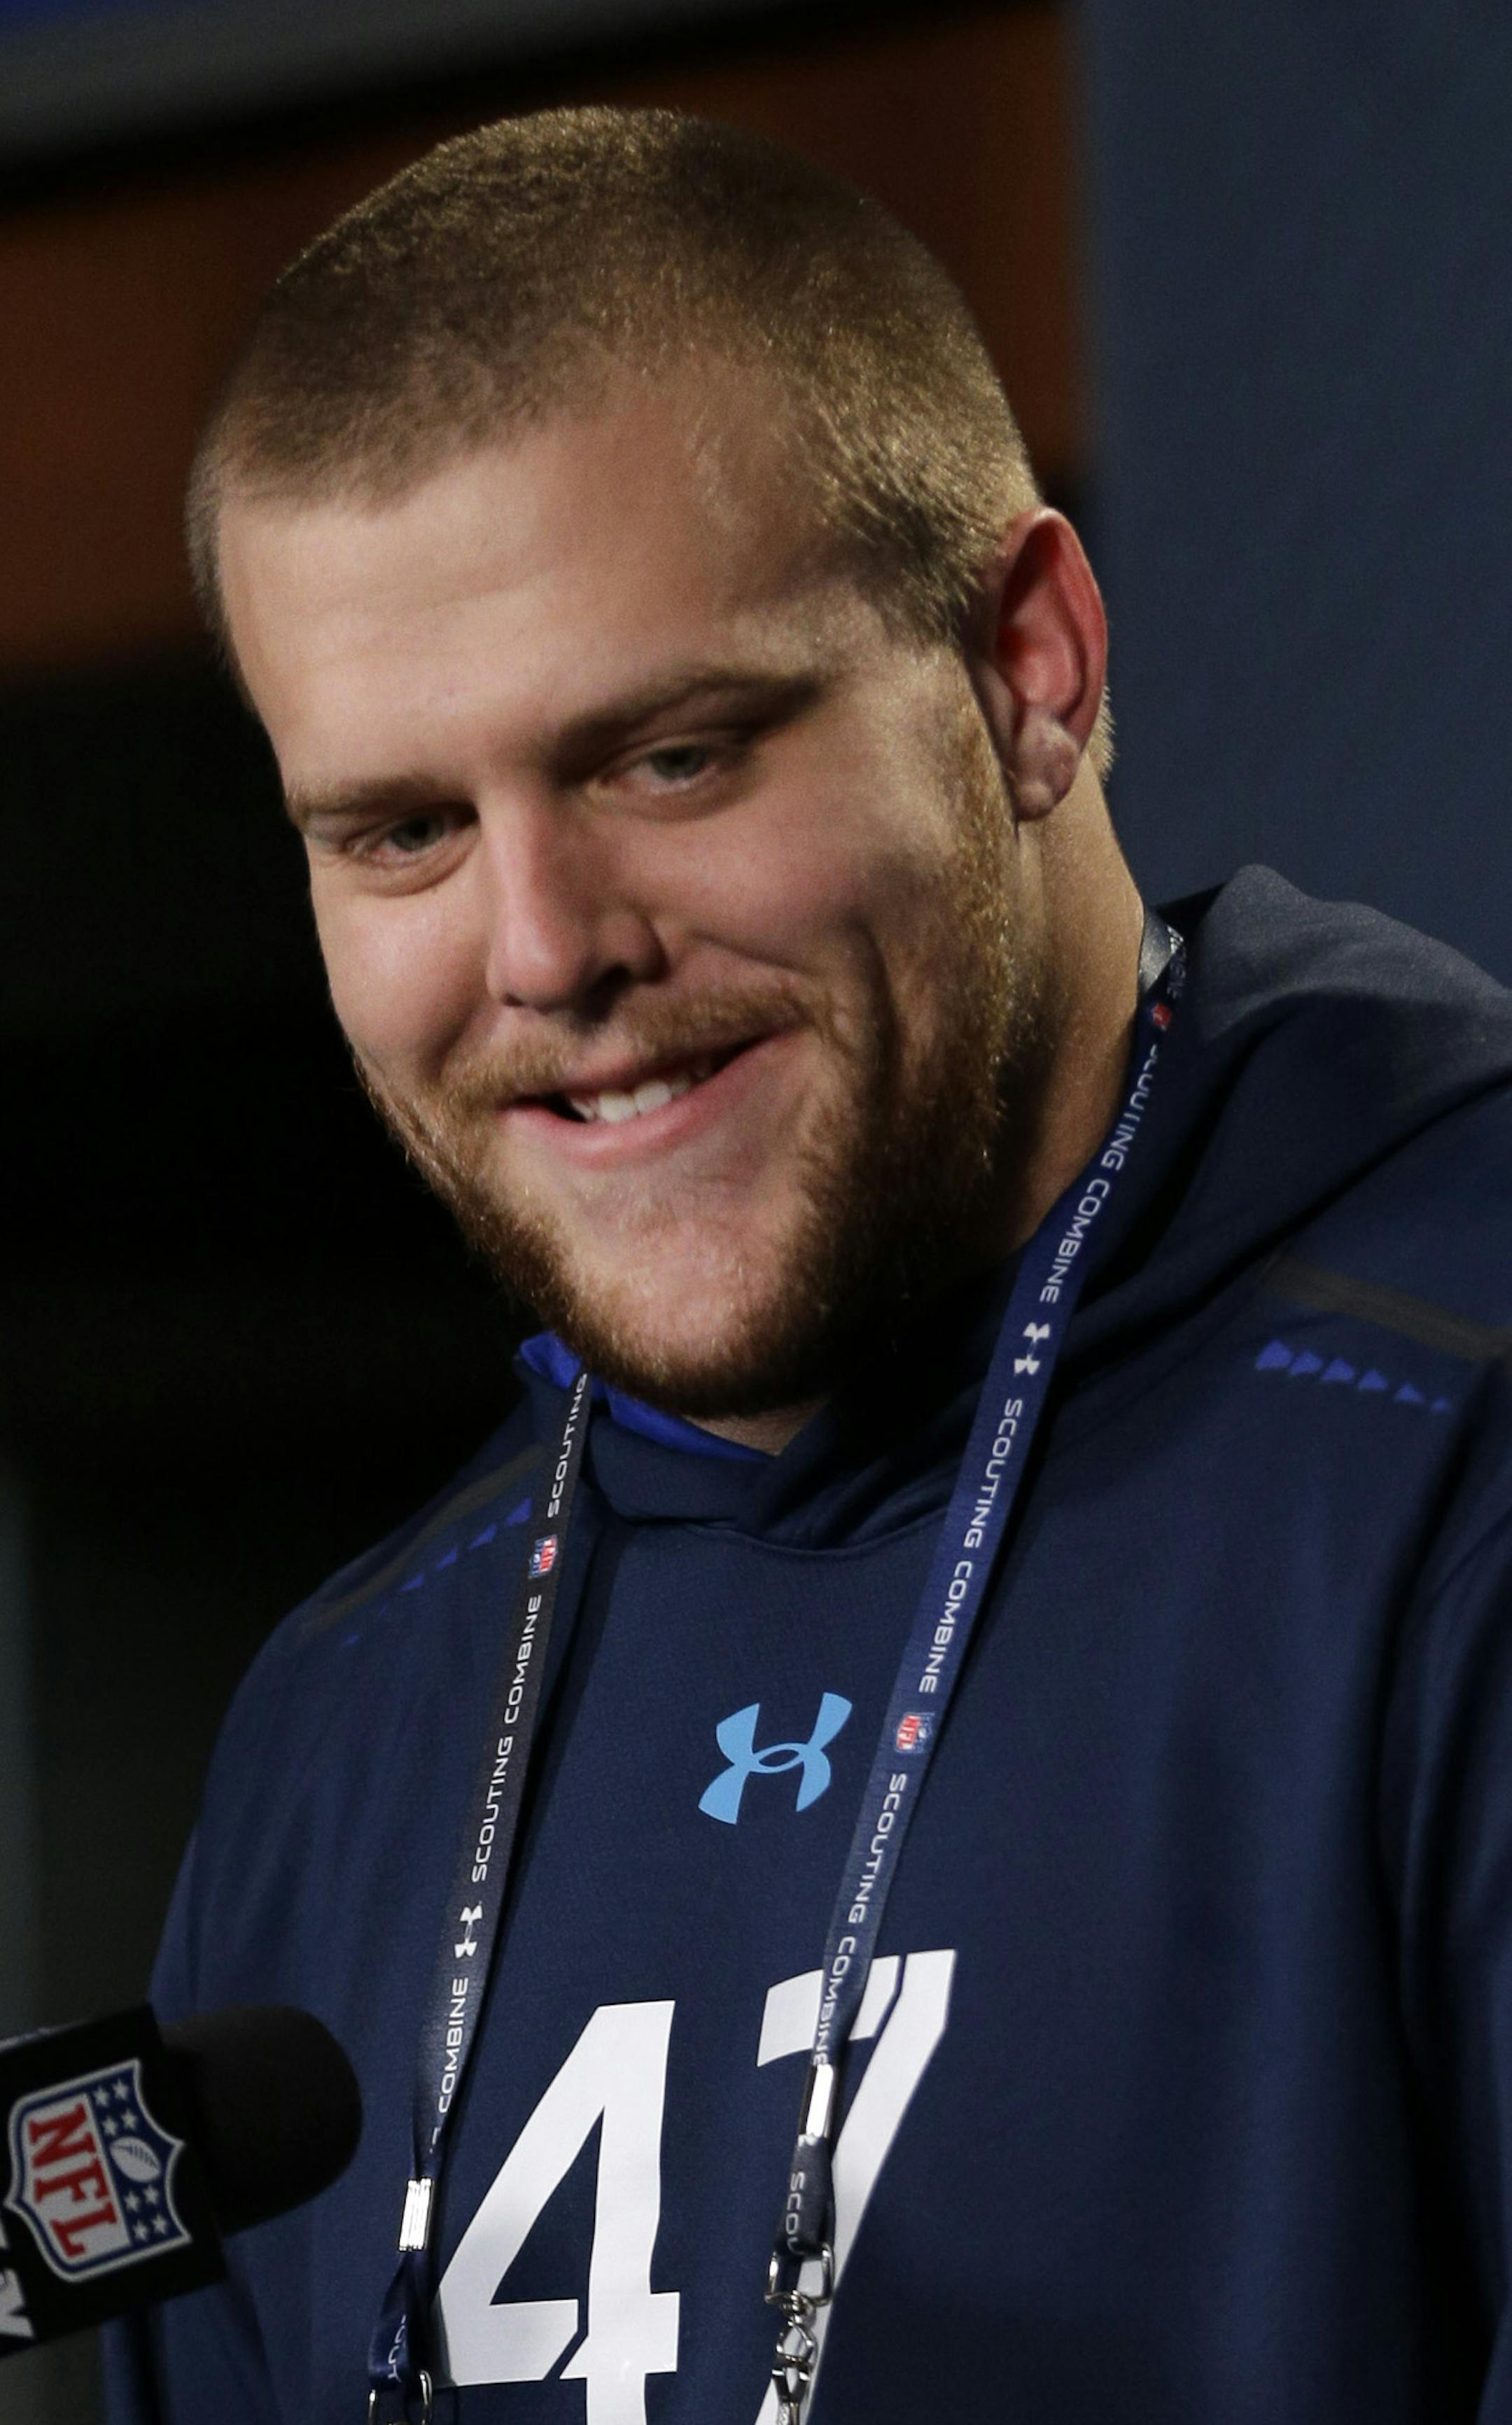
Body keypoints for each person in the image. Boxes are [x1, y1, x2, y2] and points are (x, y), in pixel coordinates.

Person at [105, 106, 1512, 2425]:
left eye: (669, 758)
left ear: (1029, 671)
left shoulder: (1445, 1428)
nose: (544, 952)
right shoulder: (346, 1720)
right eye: (403, 833)